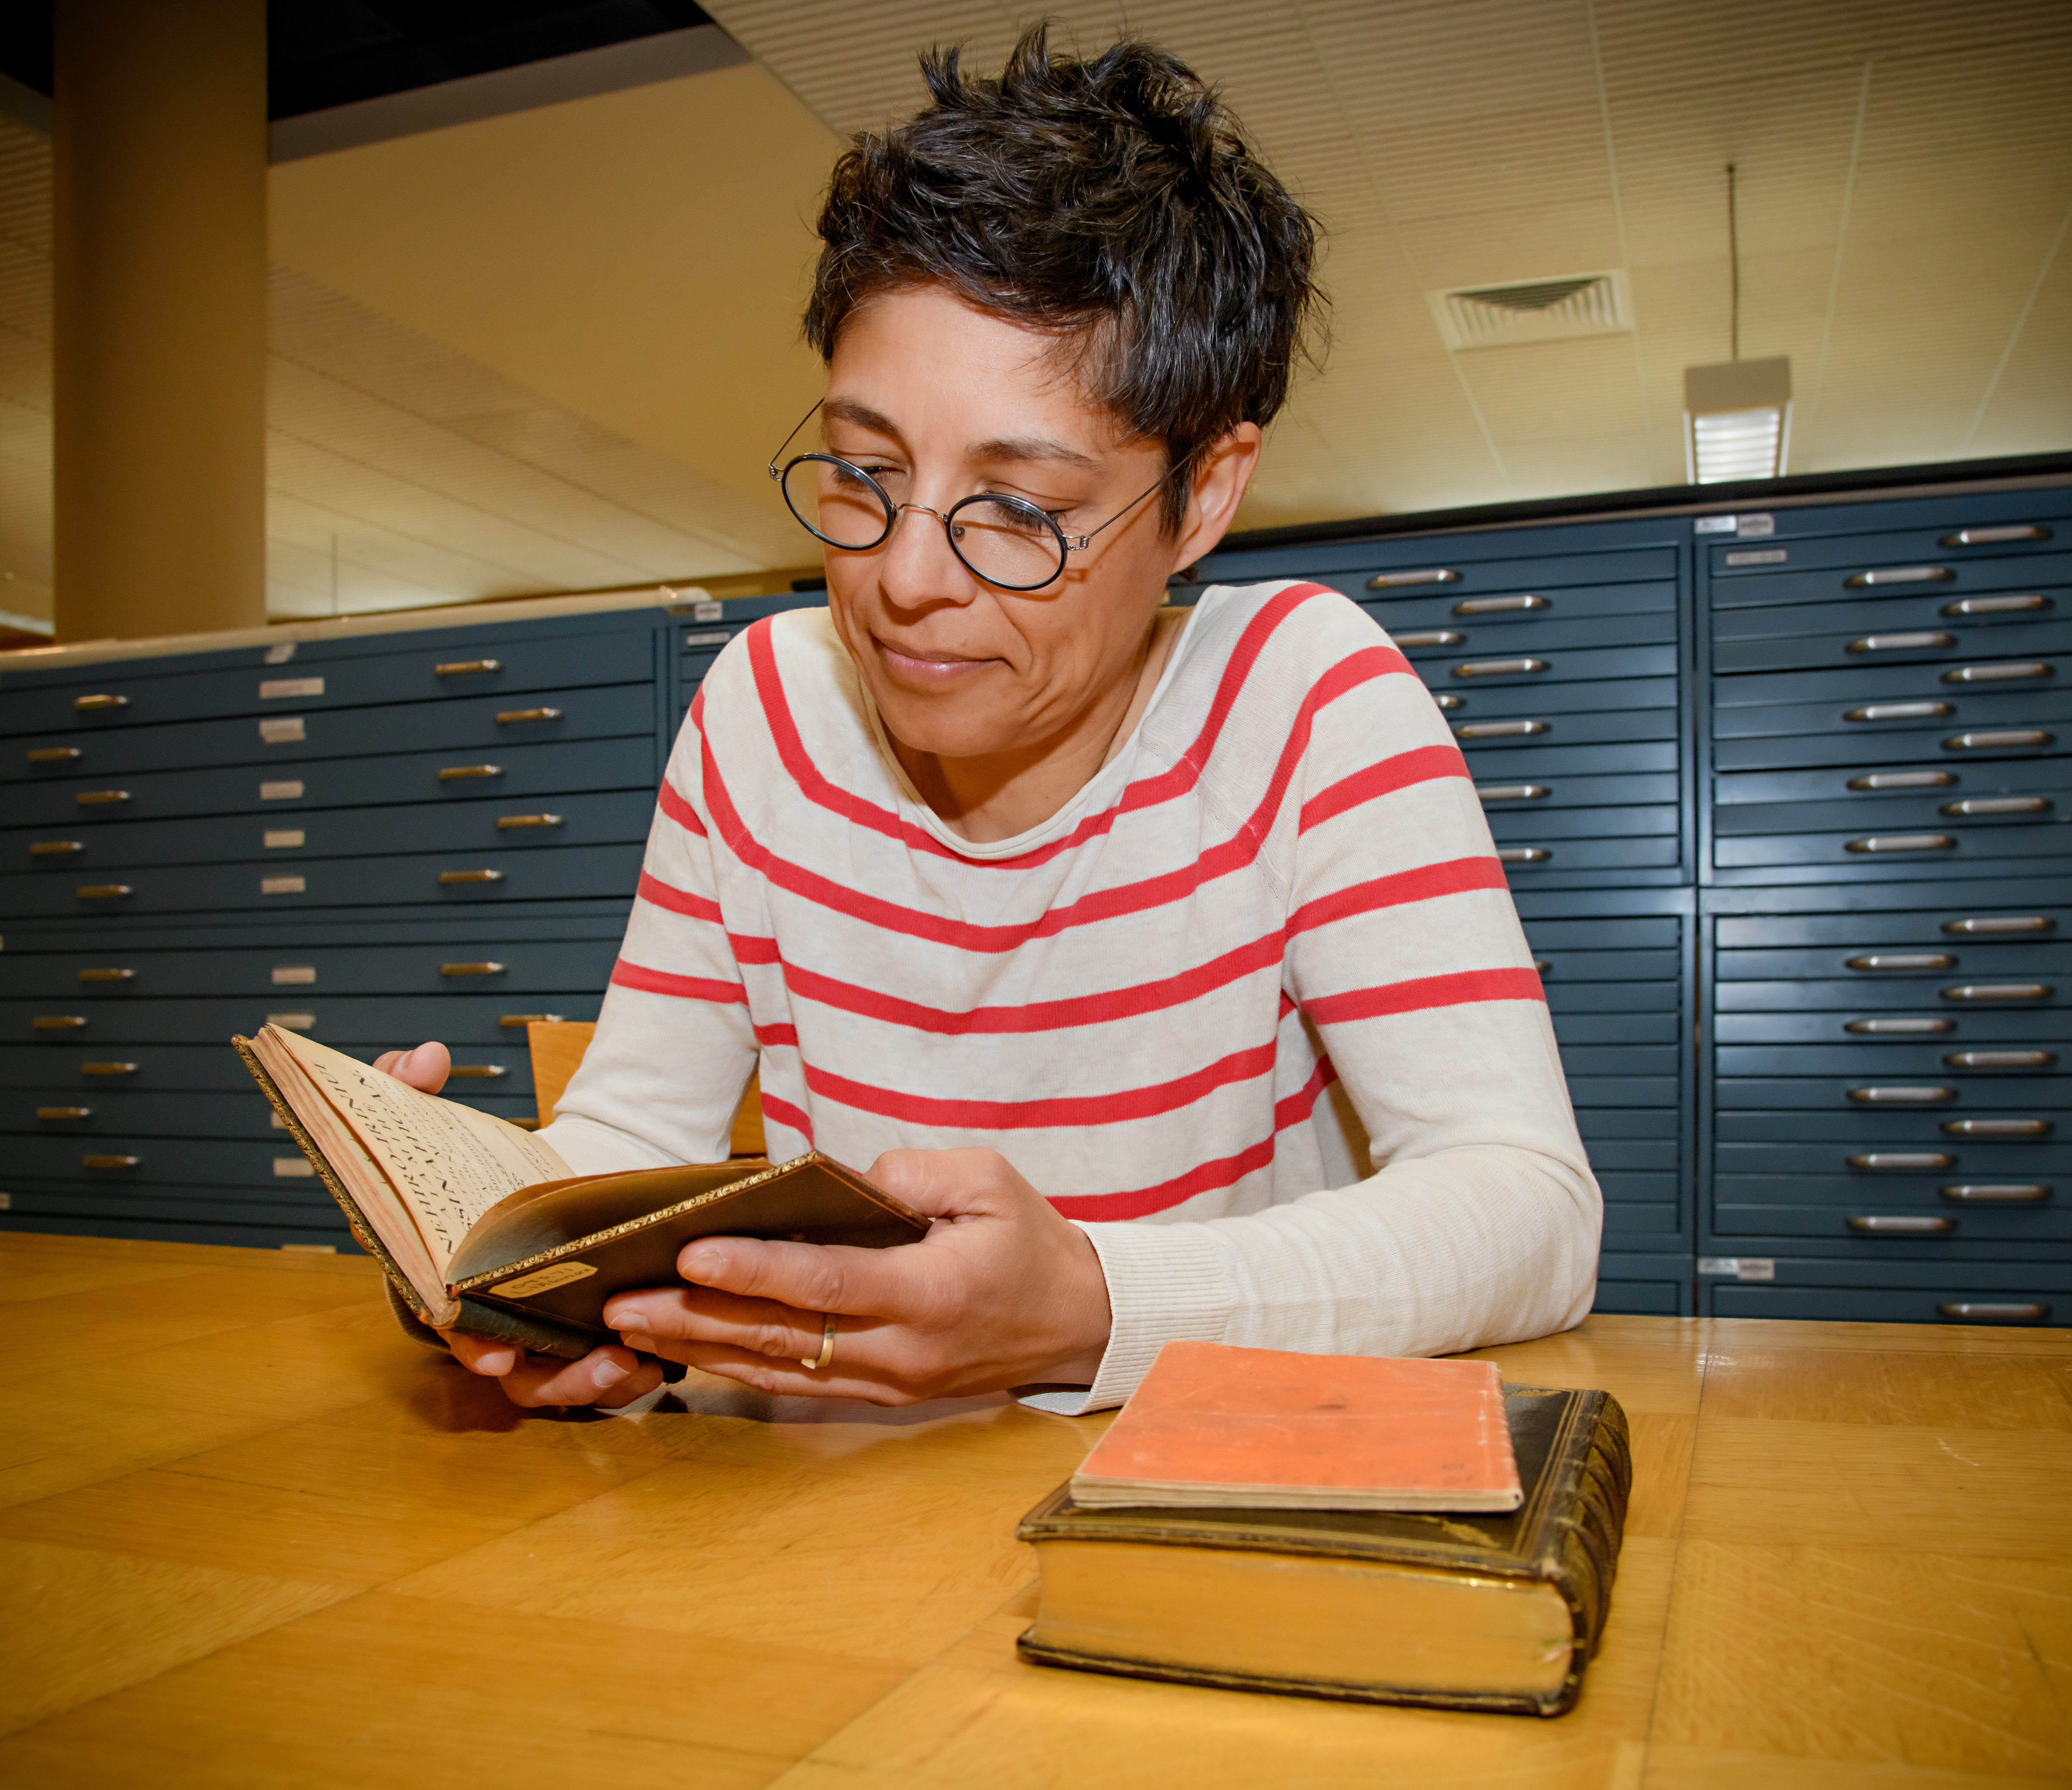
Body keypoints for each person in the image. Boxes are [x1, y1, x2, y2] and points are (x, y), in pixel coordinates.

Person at [377, 28, 1599, 1414]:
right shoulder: (765, 712)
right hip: (807, 1526)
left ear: (1204, 496)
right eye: (861, 473)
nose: (902, 581)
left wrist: (1090, 1309)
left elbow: (1530, 1210)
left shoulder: (1301, 699)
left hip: (1146, 1510)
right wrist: (490, 1235)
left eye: (1018, 511)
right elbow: (629, 1134)